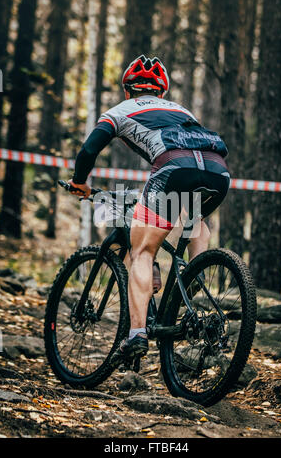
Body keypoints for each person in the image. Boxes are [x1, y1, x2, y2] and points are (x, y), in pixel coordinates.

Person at [68, 55, 230, 364]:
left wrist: (79, 182)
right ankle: (192, 283)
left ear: (127, 90)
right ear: (162, 92)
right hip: (217, 172)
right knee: (194, 219)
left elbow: (89, 150)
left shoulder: (118, 111)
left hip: (173, 170)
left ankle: (137, 334)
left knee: (142, 251)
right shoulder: (182, 111)